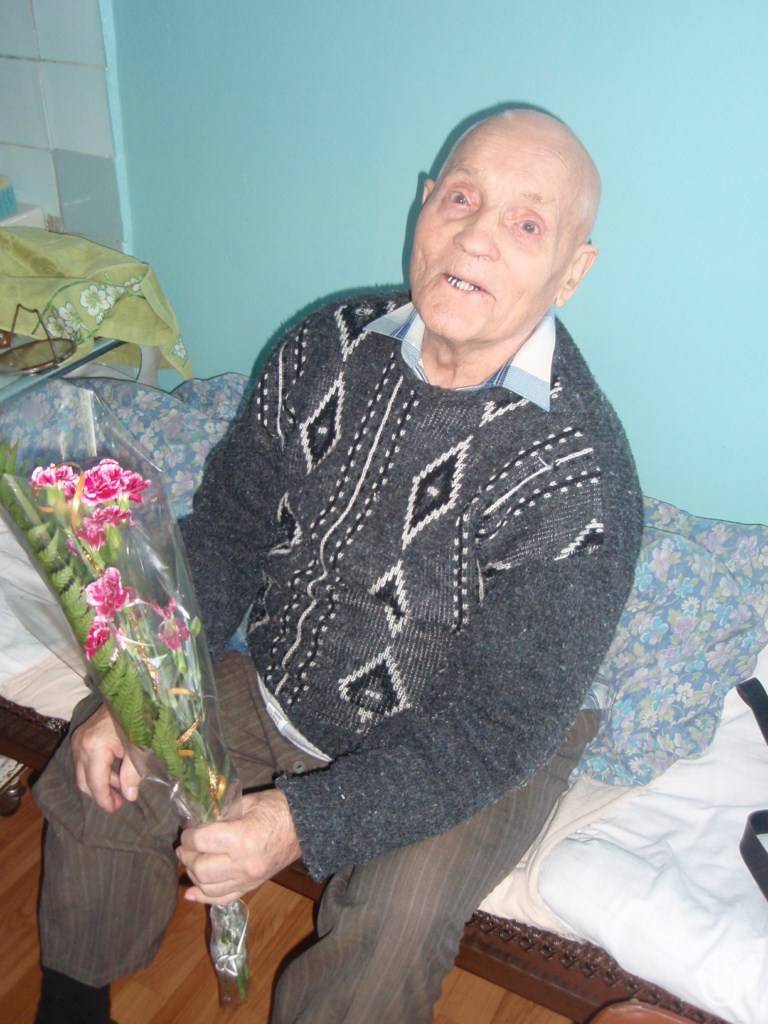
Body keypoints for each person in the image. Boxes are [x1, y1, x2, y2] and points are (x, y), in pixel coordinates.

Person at [33, 107, 643, 1024]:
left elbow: (497, 726)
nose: (476, 236)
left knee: (393, 920)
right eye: (462, 198)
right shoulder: (324, 344)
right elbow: (229, 527)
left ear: (572, 270)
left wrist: (301, 822)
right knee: (103, 773)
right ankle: (71, 1003)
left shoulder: (579, 477)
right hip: (283, 679)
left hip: (461, 739)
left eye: (526, 223)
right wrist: (141, 683)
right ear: (424, 204)